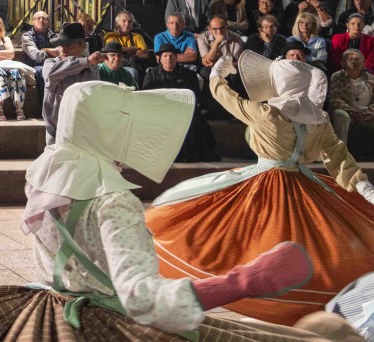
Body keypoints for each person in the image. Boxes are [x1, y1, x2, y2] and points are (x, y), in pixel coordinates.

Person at [0, 81, 307, 341]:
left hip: (46, 308)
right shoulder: (114, 202)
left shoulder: (45, 177)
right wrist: (248, 280)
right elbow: (141, 299)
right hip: (106, 324)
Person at [147, 51, 374, 325]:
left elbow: (222, 94)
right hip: (305, 184)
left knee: (251, 236)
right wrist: (362, 185)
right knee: (312, 240)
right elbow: (339, 158)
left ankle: (262, 289)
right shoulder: (320, 120)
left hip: (265, 183)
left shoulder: (266, 114)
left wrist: (220, 70)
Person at [141, 44, 218, 161]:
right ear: (160, 58)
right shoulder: (151, 74)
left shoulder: (189, 74)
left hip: (182, 108)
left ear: (176, 58)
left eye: (171, 56)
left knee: (196, 119)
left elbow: (195, 95)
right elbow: (146, 96)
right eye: (165, 56)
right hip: (160, 109)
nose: (168, 59)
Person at [41, 23, 103, 143]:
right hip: (56, 131)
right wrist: (86, 61)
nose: (63, 50)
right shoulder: (50, 64)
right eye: (61, 46)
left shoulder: (92, 67)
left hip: (83, 132)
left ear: (83, 46)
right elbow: (52, 74)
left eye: (69, 46)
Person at [328, 49, 374, 156]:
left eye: (358, 59)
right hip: (347, 111)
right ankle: (340, 153)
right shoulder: (337, 76)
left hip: (367, 114)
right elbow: (334, 98)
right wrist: (353, 111)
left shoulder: (371, 78)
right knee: (340, 115)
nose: (355, 62)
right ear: (343, 62)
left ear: (363, 62)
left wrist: (369, 112)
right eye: (351, 59)